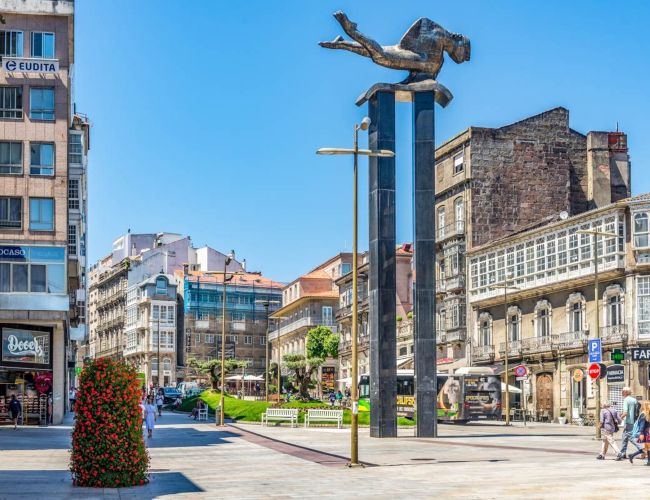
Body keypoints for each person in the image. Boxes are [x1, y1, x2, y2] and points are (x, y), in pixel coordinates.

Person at [617, 387, 643, 460]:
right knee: (624, 437)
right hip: (633, 421)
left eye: (622, 391)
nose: (621, 392)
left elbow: (626, 412)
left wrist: (619, 419)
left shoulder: (626, 400)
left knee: (631, 437)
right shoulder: (634, 400)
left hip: (628, 422)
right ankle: (623, 453)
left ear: (625, 392)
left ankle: (642, 449)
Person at [628, 400, 650, 465]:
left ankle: (632, 455)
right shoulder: (643, 414)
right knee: (647, 447)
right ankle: (648, 461)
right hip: (645, 433)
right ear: (646, 406)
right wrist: (641, 433)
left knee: (647, 447)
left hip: (647, 432)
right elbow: (642, 425)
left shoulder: (648, 413)